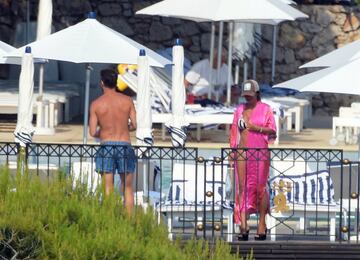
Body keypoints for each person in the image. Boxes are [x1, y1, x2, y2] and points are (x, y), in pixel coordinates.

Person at [229, 79, 277, 241]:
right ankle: (243, 225)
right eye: (245, 96)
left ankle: (262, 224)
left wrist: (257, 128)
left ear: (257, 94)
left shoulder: (266, 109)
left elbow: (272, 130)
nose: (247, 98)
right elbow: (234, 131)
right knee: (242, 187)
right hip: (242, 152)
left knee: (260, 188)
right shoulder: (239, 110)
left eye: (250, 95)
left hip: (260, 153)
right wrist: (232, 151)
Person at [89, 69, 137, 215]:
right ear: (116, 82)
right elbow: (134, 125)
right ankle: (130, 223)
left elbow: (92, 132)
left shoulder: (96, 104)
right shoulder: (127, 101)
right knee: (127, 188)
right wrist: (124, 127)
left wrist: (103, 131)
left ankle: (110, 221)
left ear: (102, 83)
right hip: (124, 145)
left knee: (108, 188)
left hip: (106, 146)